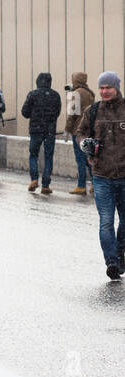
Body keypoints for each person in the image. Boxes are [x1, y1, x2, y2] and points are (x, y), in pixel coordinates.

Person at [78, 72, 125, 277]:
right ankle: (111, 262)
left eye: (109, 88)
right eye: (102, 88)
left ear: (116, 87)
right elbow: (80, 132)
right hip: (101, 175)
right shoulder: (93, 111)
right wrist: (84, 144)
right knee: (106, 220)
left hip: (124, 175)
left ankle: (120, 254)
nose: (105, 92)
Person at [22, 71, 62, 195]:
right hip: (50, 130)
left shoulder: (33, 94)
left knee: (33, 154)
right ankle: (45, 185)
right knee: (48, 156)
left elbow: (25, 112)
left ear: (37, 81)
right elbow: (57, 112)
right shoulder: (55, 95)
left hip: (35, 130)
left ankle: (34, 179)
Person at [65, 71, 94, 196]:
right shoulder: (90, 93)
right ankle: (94, 184)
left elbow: (72, 113)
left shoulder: (76, 94)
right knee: (89, 158)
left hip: (78, 130)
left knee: (80, 159)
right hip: (89, 130)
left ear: (76, 80)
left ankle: (81, 186)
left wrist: (67, 129)